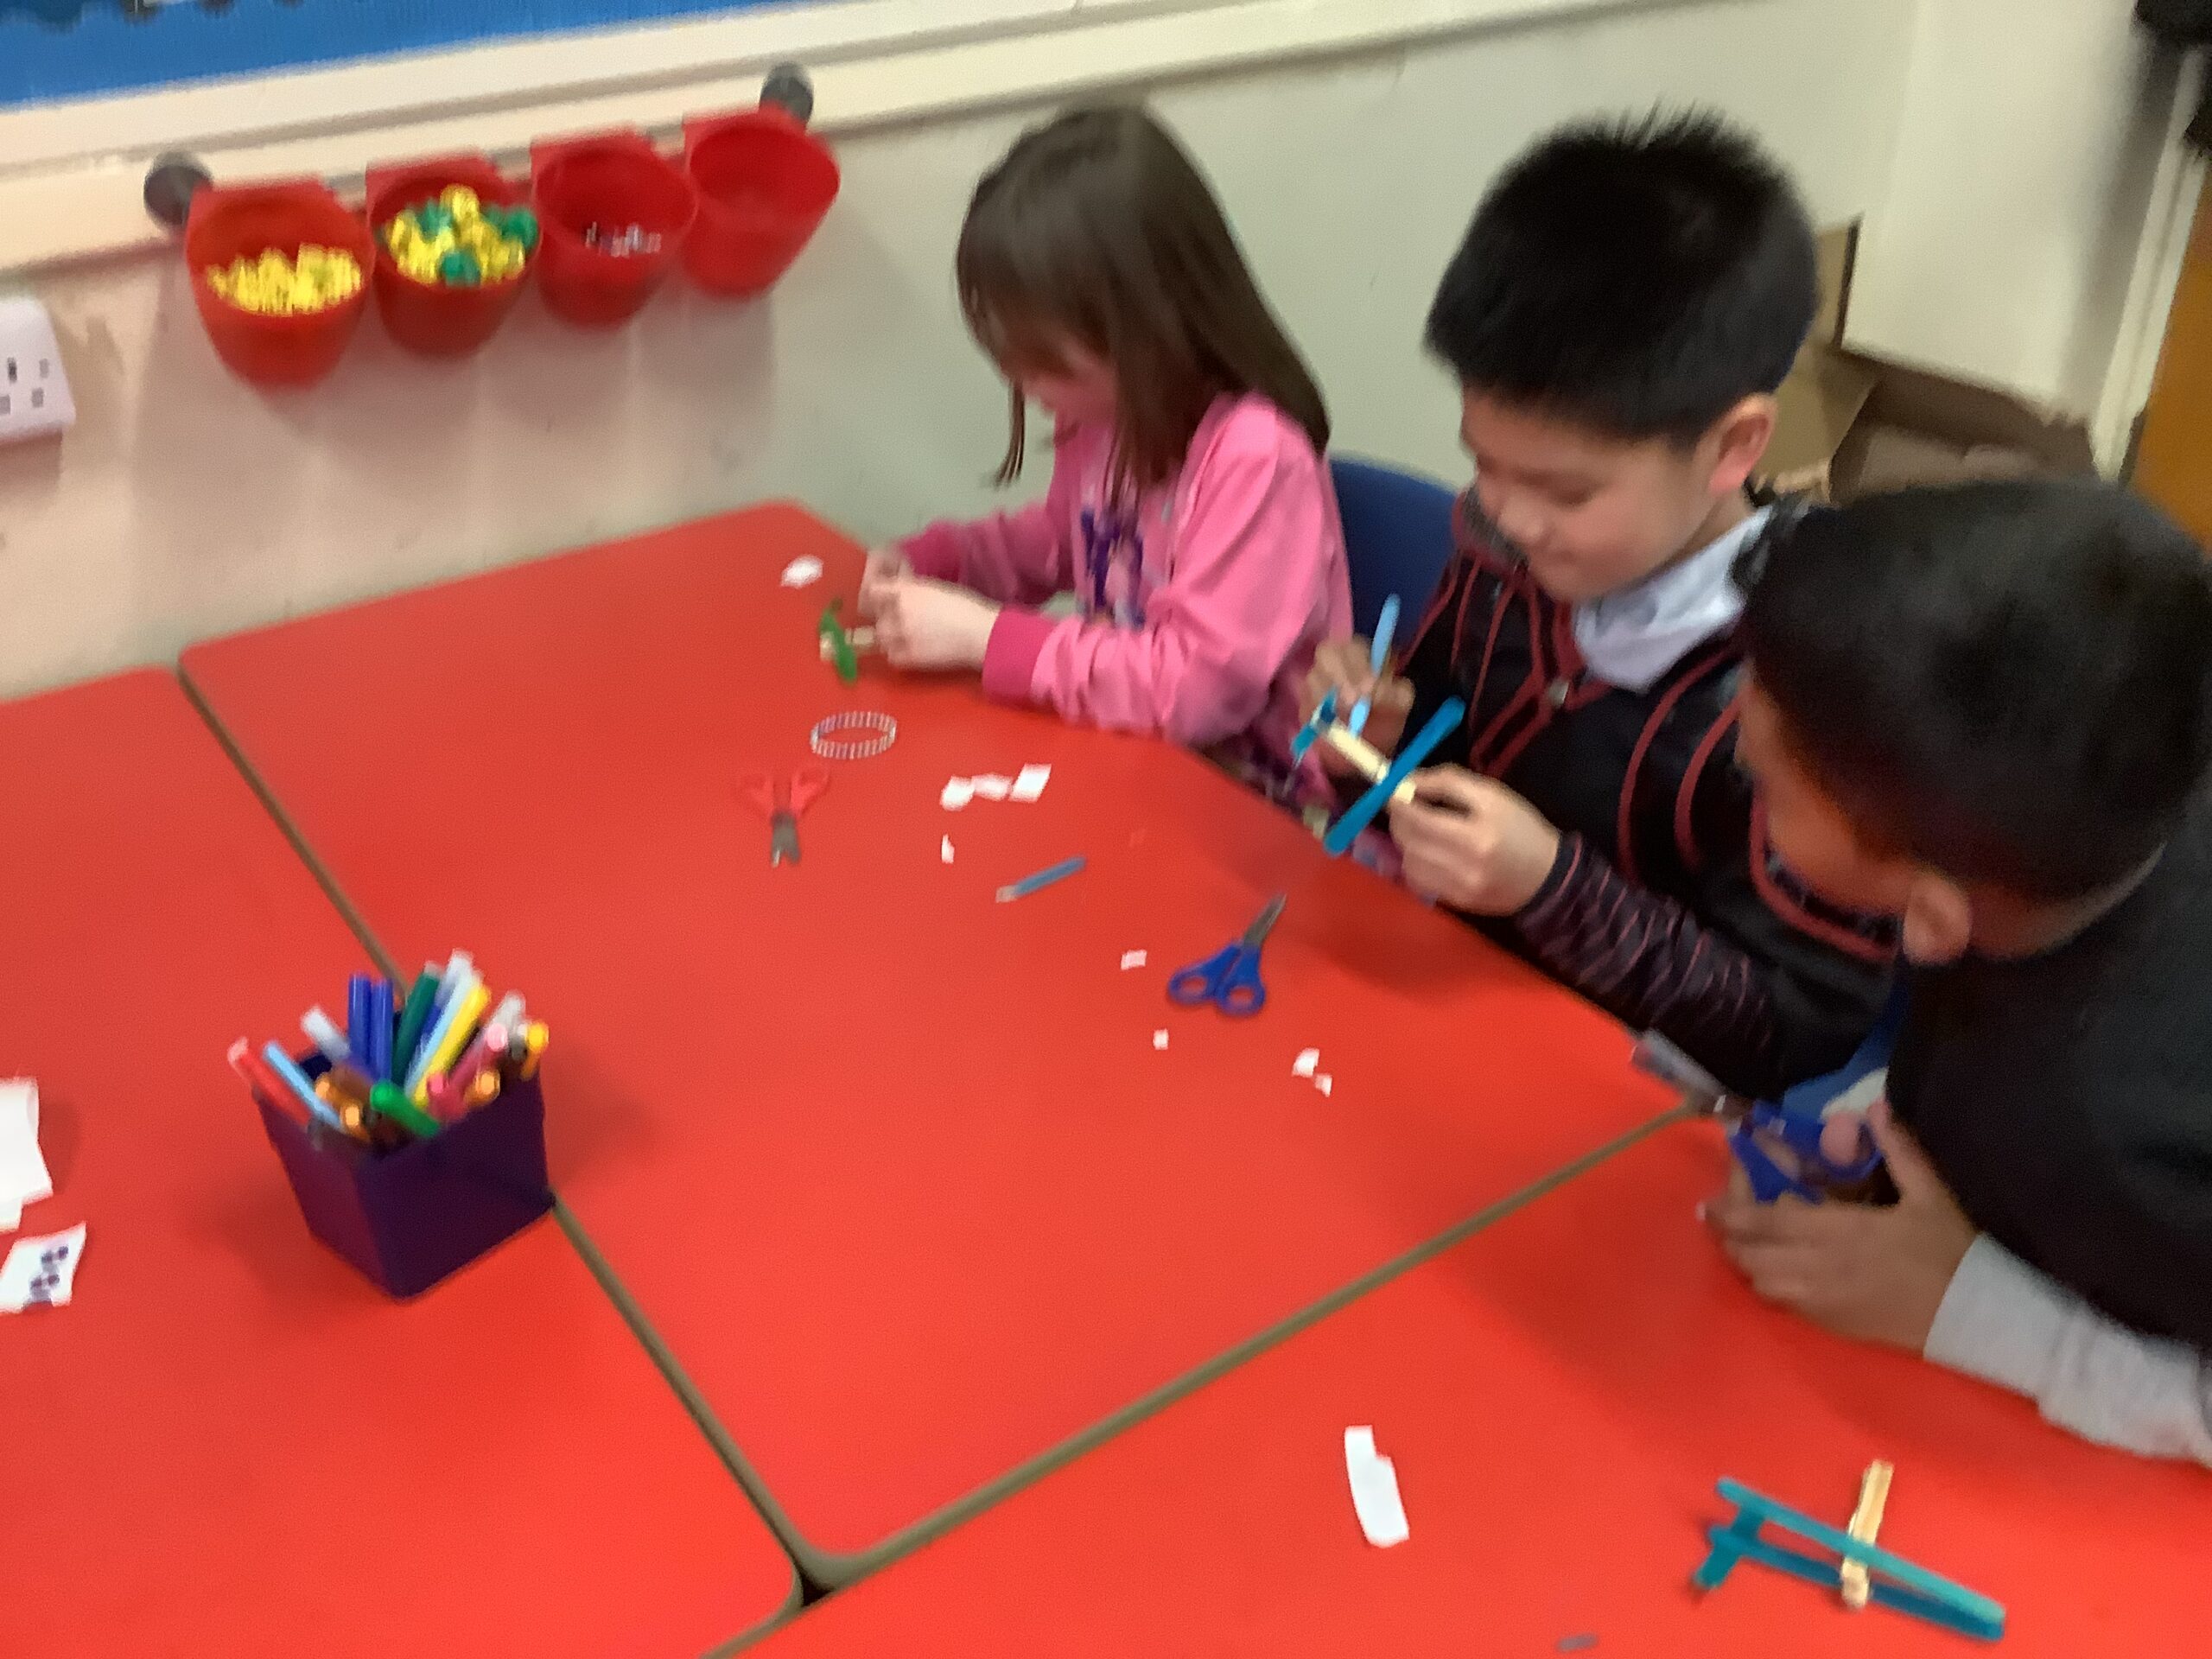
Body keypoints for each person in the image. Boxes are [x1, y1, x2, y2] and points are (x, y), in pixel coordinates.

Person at [1306, 112, 1890, 1100]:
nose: (1509, 513)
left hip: (1628, 1104)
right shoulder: (1504, 559)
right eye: (1484, 462)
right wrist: (1374, 747)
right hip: (1438, 1014)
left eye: (1565, 491)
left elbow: (1785, 1027)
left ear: (1732, 446)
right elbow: (1441, 763)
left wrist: (1550, 889)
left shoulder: (1819, 685)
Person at [1713, 479, 2212, 1465]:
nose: (1731, 732)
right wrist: (1876, 1130)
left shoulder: (2113, 1138)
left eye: (1767, 782)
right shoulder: (2113, 773)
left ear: (1934, 916)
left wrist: (1970, 1311)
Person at [862, 105, 1351, 798]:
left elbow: (1195, 691)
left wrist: (986, 638)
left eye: (1039, 358)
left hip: (1259, 806)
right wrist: (940, 560)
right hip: (1135, 763)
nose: (1020, 382)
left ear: (1142, 329)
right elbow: (1064, 541)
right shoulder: (1103, 419)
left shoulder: (1258, 458)